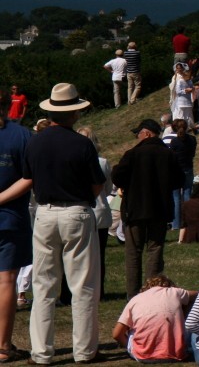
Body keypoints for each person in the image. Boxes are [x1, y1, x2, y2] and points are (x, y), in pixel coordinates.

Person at [10, 83, 105, 364]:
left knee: (43, 285)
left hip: (45, 212)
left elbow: (30, 178)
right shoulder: (82, 143)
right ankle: (85, 351)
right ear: (74, 113)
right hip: (76, 210)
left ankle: (41, 352)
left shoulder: (34, 141)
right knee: (83, 284)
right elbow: (97, 184)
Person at [112, 118, 182, 299]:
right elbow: (179, 180)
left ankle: (133, 294)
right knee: (155, 250)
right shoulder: (168, 154)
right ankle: (153, 292)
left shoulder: (133, 154)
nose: (137, 137)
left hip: (135, 209)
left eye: (138, 133)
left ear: (147, 133)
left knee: (133, 252)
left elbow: (117, 177)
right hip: (160, 209)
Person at [0, 88, 31, 363]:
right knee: (6, 280)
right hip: (9, 215)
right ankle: (2, 345)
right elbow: (29, 177)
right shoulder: (21, 135)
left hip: (9, 216)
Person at [113, 275, 196, 363]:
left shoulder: (135, 300)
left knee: (132, 329)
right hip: (175, 354)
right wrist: (184, 312)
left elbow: (116, 334)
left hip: (142, 356)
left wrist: (129, 347)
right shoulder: (174, 292)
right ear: (169, 286)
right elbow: (198, 294)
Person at [75, 127, 112, 300]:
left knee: (82, 255)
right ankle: (98, 291)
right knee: (98, 255)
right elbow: (109, 188)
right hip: (99, 210)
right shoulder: (103, 162)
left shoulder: (80, 161)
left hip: (88, 210)